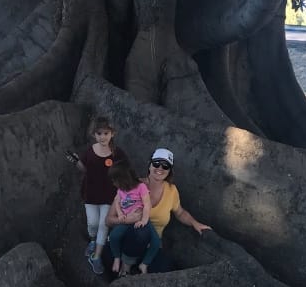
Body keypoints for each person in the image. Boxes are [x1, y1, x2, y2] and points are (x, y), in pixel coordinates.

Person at [106, 147, 212, 274]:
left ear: (169, 171)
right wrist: (126, 220)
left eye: (165, 166)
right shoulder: (132, 185)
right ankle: (126, 267)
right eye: (156, 163)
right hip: (128, 241)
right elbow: (108, 220)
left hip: (151, 246)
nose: (160, 168)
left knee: (165, 267)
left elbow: (180, 212)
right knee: (142, 230)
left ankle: (137, 267)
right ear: (150, 165)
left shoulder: (171, 191)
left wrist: (195, 223)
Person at [67, 115, 126, 275]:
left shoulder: (117, 153)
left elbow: (124, 171)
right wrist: (75, 161)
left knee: (103, 224)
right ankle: (92, 242)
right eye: (99, 134)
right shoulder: (90, 151)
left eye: (106, 133)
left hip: (109, 196)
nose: (102, 137)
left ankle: (96, 257)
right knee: (92, 223)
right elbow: (84, 169)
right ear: (94, 134)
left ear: (112, 134)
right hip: (91, 193)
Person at [106, 160, 156, 275]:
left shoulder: (141, 187)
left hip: (141, 218)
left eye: (115, 181)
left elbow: (147, 205)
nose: (113, 184)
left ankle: (144, 264)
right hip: (126, 219)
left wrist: (144, 220)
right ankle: (117, 258)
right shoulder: (120, 190)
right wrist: (120, 215)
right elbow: (117, 203)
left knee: (156, 241)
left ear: (122, 179)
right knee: (113, 236)